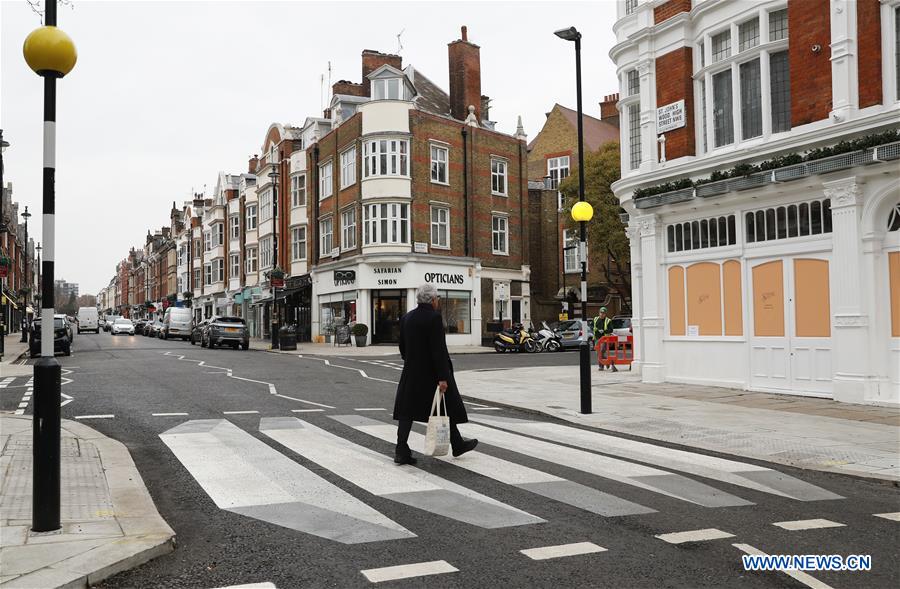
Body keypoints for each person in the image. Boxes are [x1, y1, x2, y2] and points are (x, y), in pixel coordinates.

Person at [392, 283, 478, 465]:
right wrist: (443, 377)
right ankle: (457, 443)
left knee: (407, 411)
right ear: (432, 300)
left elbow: (402, 347)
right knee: (444, 406)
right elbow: (438, 350)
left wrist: (411, 360)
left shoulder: (407, 318)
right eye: (437, 298)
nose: (438, 301)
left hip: (411, 372)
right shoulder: (434, 318)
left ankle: (402, 449)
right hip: (431, 374)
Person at [593, 307, 617, 372]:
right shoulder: (595, 319)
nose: (602, 314)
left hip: (605, 339)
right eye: (601, 313)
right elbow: (593, 327)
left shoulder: (608, 320)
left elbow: (611, 330)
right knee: (598, 353)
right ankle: (607, 363)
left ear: (605, 314)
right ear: (599, 313)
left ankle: (603, 365)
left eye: (603, 313)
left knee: (601, 351)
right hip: (597, 338)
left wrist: (604, 331)